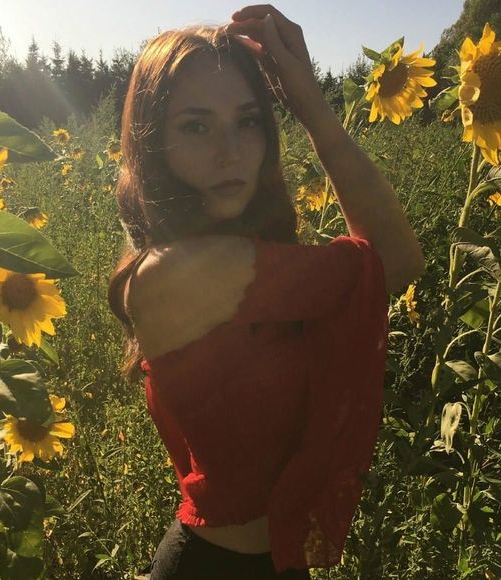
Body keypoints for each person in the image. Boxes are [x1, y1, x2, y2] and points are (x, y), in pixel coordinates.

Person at [108, 5, 425, 579]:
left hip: (274, 562)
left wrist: (303, 97)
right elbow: (395, 260)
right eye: (197, 126)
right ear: (154, 144)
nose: (230, 151)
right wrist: (313, 107)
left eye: (248, 120)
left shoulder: (245, 251)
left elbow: (385, 265)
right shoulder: (181, 272)